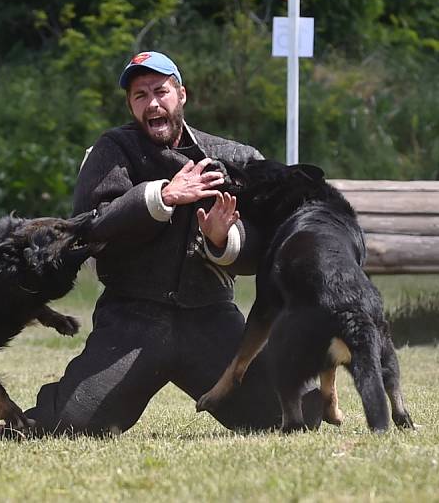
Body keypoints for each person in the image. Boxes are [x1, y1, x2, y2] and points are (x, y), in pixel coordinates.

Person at [22, 51, 321, 436]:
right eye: (140, 96)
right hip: (132, 319)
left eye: (160, 91)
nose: (152, 103)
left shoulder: (235, 157)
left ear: (181, 94)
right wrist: (163, 195)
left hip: (211, 318)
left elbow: (268, 247)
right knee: (70, 423)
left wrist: (224, 239)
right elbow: (92, 228)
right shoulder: (112, 150)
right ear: (131, 105)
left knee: (299, 411)